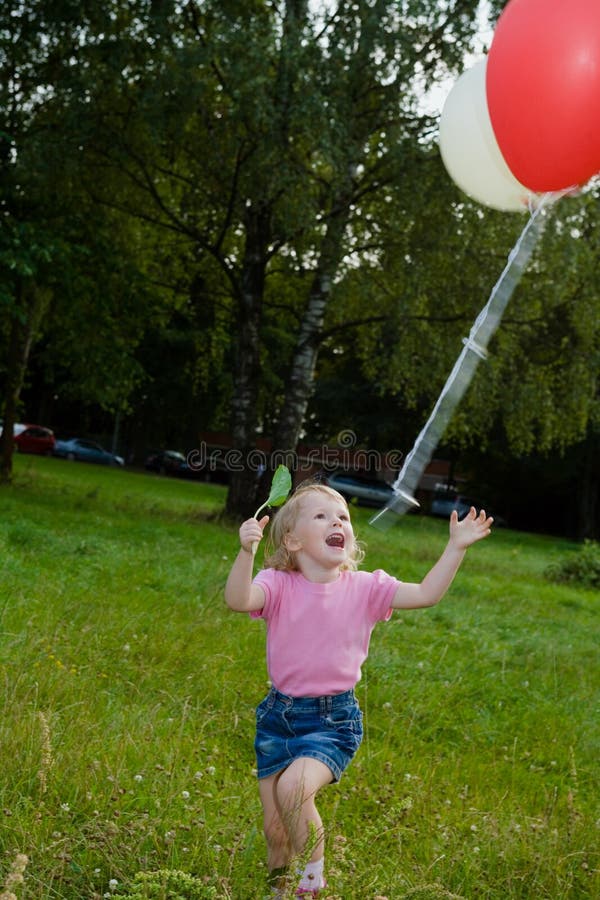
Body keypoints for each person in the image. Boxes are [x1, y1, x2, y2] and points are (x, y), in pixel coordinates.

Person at [224, 483, 493, 898]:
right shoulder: (277, 583)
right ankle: (276, 892)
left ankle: (311, 882)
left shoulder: (365, 587)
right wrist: (245, 554)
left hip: (332, 720)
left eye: (344, 517)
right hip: (278, 718)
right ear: (292, 540)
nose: (337, 521)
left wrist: (456, 548)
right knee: (275, 829)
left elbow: (425, 594)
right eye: (321, 516)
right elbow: (238, 600)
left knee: (294, 790)